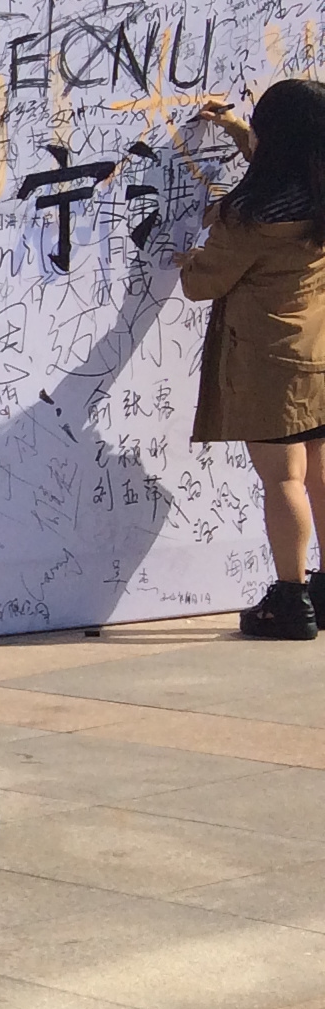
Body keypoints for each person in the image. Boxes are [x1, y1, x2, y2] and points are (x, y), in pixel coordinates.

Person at [180, 78, 325, 640]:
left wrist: (189, 258)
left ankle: (290, 599)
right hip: (318, 352)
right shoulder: (316, 194)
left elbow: (202, 284)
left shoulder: (249, 216)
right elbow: (283, 162)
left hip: (270, 362)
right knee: (319, 474)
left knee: (283, 478)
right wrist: (239, 131)